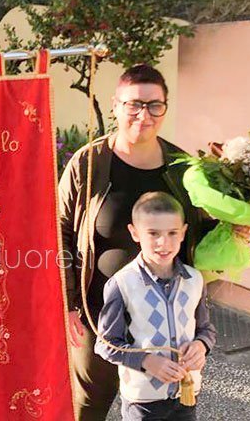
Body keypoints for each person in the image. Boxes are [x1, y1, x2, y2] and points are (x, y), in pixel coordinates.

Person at [59, 64, 213, 419]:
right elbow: (60, 230)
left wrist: (241, 232)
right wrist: (67, 302)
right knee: (90, 404)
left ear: (165, 108)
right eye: (133, 104)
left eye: (154, 105)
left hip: (164, 314)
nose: (143, 115)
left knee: (158, 405)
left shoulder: (182, 169)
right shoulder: (88, 164)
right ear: (115, 106)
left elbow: (202, 233)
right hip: (97, 311)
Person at [95, 192, 216, 420]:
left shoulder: (195, 279)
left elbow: (206, 329)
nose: (164, 243)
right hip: (143, 402)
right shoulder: (122, 284)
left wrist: (201, 346)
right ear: (135, 233)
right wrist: (146, 361)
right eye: (153, 234)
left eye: (172, 233)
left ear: (183, 233)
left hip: (186, 393)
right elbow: (106, 344)